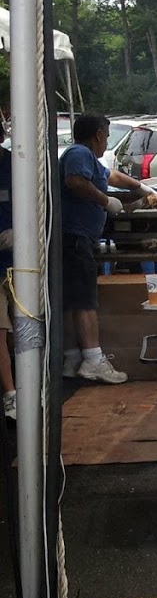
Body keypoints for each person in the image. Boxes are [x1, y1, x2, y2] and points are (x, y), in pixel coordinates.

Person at [60, 113, 157, 385]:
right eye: (106, 135)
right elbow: (75, 182)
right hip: (75, 239)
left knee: (73, 300)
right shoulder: (78, 154)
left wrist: (142, 187)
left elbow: (113, 176)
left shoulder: (89, 159)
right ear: (98, 134)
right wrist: (105, 201)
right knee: (84, 301)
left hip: (77, 239)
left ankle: (73, 358)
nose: (107, 141)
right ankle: (94, 361)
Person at [0, 143, 14, 421]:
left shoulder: (16, 163)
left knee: (24, 327)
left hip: (21, 265)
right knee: (0, 330)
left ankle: (28, 386)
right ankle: (12, 395)